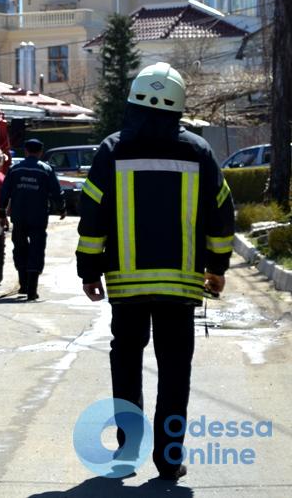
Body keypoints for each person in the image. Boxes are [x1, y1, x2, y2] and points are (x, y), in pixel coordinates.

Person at [75, 62, 234, 481]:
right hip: (180, 288)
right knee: (175, 371)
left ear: (133, 101)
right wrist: (217, 268)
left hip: (127, 287)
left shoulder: (112, 149)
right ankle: (169, 458)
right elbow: (222, 215)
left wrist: (89, 271)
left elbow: (91, 216)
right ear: (178, 106)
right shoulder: (198, 151)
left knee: (126, 364)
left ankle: (128, 450)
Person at [0, 138, 66, 300]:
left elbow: (4, 192)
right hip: (38, 217)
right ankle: (31, 290)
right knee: (36, 249)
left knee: (20, 248)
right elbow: (56, 192)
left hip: (19, 217)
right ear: (40, 152)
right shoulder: (46, 170)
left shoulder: (15, 170)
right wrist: (61, 208)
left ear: (26, 151)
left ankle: (23, 285)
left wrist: (1, 213)